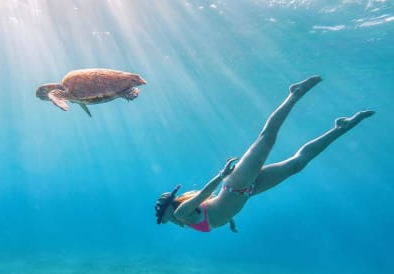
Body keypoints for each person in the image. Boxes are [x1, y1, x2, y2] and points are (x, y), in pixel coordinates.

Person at [154, 76, 374, 233]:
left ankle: (294, 93)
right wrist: (230, 220)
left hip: (236, 184)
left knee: (266, 139)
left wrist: (221, 176)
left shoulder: (182, 213)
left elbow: (203, 194)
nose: (163, 222)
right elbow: (216, 207)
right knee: (298, 164)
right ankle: (341, 128)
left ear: (168, 210)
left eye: (161, 217)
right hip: (247, 191)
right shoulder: (186, 219)